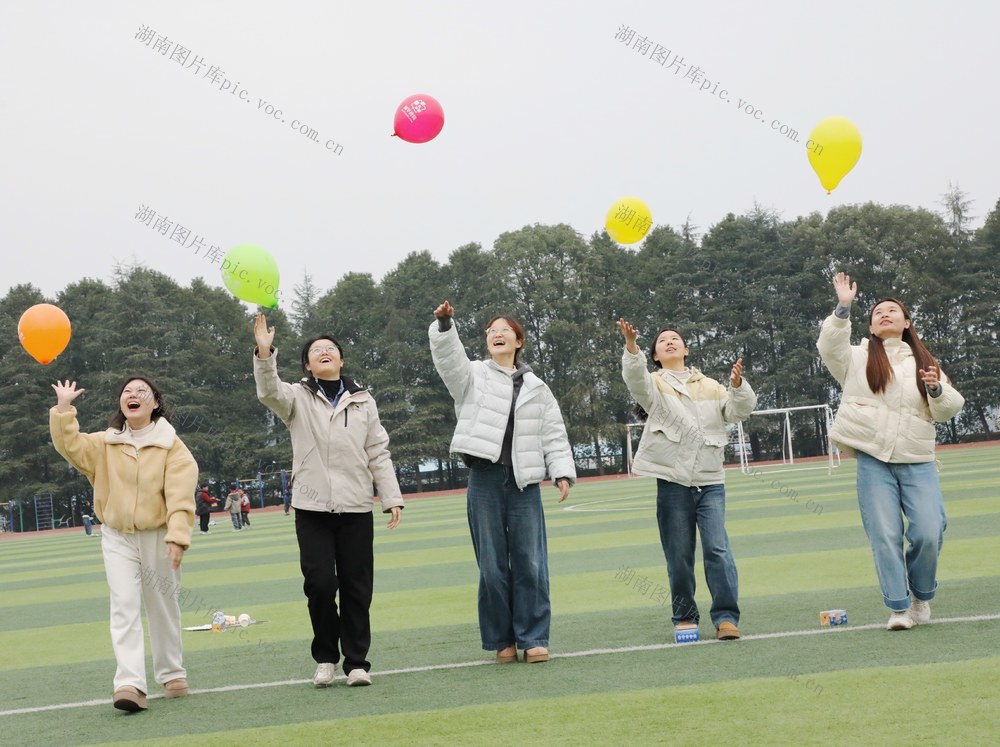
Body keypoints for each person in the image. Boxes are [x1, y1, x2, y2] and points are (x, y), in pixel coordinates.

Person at [252, 313, 403, 688]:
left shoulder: (363, 400)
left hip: (355, 506)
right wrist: (265, 353)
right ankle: (325, 658)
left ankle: (356, 663)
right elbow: (268, 391)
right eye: (316, 350)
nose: (324, 353)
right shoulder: (297, 398)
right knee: (320, 584)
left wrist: (391, 496)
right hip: (312, 507)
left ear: (340, 360)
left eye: (330, 349)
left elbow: (378, 451)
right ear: (307, 364)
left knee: (357, 586)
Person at [429, 301, 576, 664]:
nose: (497, 334)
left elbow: (553, 432)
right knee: (491, 566)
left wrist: (560, 470)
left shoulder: (538, 387)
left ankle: (534, 638)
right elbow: (449, 362)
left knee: (530, 563)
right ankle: (502, 641)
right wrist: (446, 324)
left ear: (519, 340)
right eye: (491, 330)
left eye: (505, 330)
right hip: (485, 480)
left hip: (524, 483)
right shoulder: (473, 375)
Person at [817, 273, 965, 630]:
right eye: (878, 312)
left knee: (930, 531)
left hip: (917, 460)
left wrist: (935, 390)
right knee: (884, 534)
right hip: (873, 459)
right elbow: (829, 345)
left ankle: (920, 597)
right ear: (869, 325)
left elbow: (950, 408)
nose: (885, 314)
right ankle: (899, 608)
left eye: (893, 311)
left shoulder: (925, 361)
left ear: (907, 322)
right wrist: (843, 307)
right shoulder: (855, 358)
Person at [49, 377, 198, 712]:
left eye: (141, 391)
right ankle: (129, 683)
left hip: (158, 536)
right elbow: (69, 445)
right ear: (121, 404)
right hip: (116, 536)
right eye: (127, 392)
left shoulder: (173, 447)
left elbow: (181, 497)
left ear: (156, 403)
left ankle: (172, 673)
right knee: (123, 605)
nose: (133, 395)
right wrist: (63, 408)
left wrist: (177, 537)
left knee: (163, 605)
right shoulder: (104, 443)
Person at [618, 319, 756, 641]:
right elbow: (634, 378)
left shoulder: (710, 386)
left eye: (675, 338)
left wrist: (737, 386)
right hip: (672, 482)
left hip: (710, 481)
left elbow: (739, 411)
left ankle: (726, 618)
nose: (669, 342)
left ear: (686, 348)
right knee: (678, 554)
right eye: (662, 340)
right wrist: (630, 346)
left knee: (718, 550)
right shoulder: (653, 385)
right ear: (654, 354)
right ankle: (684, 616)